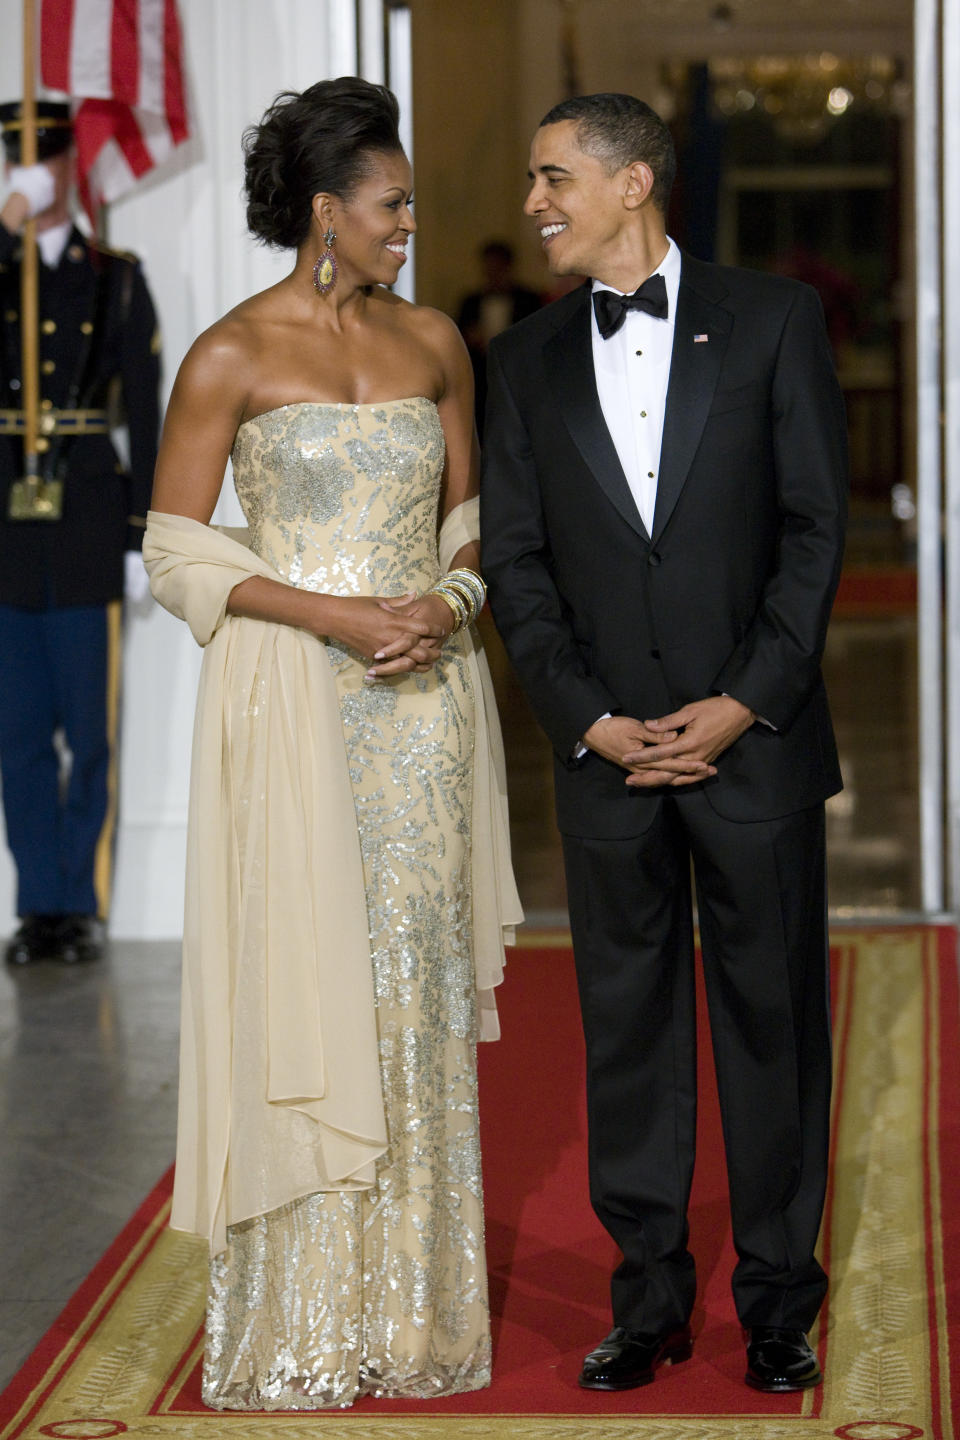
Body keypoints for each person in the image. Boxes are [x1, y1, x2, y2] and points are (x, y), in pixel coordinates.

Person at [144, 78, 521, 1411]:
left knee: (409, 996)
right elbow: (176, 549)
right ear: (325, 211)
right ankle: (302, 1324)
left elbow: (473, 522)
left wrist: (446, 603)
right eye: (392, 203)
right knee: (303, 979)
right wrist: (336, 617)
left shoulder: (434, 345)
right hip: (295, 708)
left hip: (424, 717)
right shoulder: (230, 356)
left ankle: (415, 1322)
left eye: (410, 202)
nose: (412, 223)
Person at [480, 93, 846, 1395]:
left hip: (755, 747)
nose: (535, 202)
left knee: (773, 1031)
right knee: (627, 1035)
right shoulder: (519, 361)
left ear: (633, 181)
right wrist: (587, 719)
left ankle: (778, 1303)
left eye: (552, 176)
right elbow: (516, 570)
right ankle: (647, 1306)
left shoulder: (774, 320)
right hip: (606, 761)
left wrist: (744, 702)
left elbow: (814, 534)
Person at [0, 100, 161, 967]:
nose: (30, 171)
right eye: (16, 158)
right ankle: (38, 907)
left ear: (70, 168)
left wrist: (142, 535)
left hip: (92, 522)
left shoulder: (116, 277)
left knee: (88, 733)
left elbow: (148, 409)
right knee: (18, 735)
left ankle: (81, 905)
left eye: (44, 159)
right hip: (7, 533)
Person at [456, 240, 541, 435]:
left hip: (519, 377)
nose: (493, 272)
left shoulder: (528, 299)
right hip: (480, 380)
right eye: (489, 267)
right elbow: (458, 339)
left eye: (498, 267)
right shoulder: (470, 301)